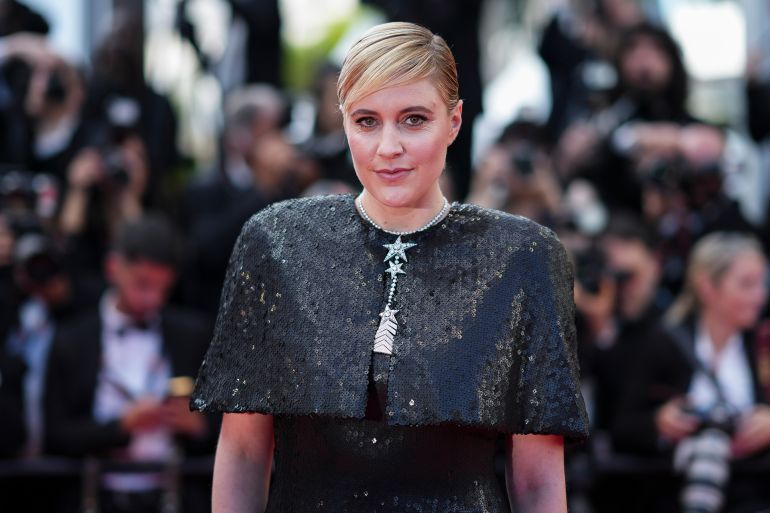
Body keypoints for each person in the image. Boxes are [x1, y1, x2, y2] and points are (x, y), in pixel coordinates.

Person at [191, 22, 588, 513]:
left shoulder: (522, 254)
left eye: (414, 119)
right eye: (366, 121)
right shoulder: (277, 241)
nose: (388, 147)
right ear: (343, 124)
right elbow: (245, 449)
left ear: (455, 121)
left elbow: (538, 479)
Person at [44, 215, 216, 513]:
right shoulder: (71, 339)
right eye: (143, 285)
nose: (152, 300)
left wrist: (200, 426)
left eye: (163, 289)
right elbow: (55, 435)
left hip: (175, 496)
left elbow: (228, 430)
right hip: (93, 496)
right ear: (113, 267)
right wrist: (121, 426)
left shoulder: (192, 335)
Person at [614, 232, 770, 513]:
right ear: (707, 287)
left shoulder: (760, 344)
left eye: (762, 283)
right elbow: (621, 427)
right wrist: (659, 424)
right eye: (747, 284)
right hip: (675, 494)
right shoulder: (664, 342)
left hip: (753, 493)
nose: (760, 296)